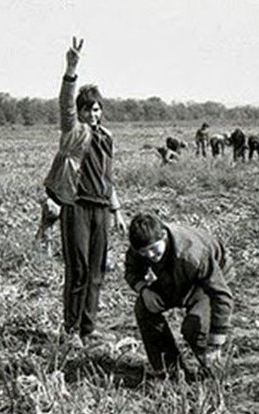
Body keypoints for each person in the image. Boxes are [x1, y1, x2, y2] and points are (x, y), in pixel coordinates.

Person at [43, 37, 126, 350]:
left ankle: (88, 329)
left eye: (97, 109)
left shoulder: (107, 138)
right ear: (80, 112)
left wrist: (117, 211)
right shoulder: (75, 132)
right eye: (88, 109)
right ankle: (71, 330)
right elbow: (64, 107)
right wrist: (71, 70)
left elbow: (108, 177)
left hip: (101, 209)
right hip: (76, 206)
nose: (93, 114)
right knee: (77, 270)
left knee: (97, 271)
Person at [124, 213, 234, 378]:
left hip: (208, 281)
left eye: (154, 249)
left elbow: (221, 295)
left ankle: (214, 371)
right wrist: (144, 290)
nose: (150, 256)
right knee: (144, 307)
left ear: (164, 235)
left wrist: (216, 341)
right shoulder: (140, 246)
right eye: (144, 253)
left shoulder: (192, 254)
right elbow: (132, 271)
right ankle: (170, 370)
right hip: (174, 276)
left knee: (194, 327)